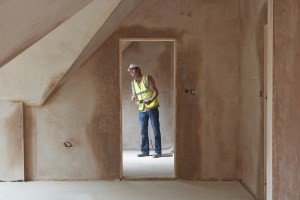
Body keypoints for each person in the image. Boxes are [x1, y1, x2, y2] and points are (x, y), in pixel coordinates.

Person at [128, 63, 162, 158]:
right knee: (143, 131)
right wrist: (133, 97)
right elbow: (134, 95)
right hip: (142, 109)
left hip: (152, 107)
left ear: (138, 69)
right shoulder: (132, 83)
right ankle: (145, 151)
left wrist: (150, 100)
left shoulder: (148, 78)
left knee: (156, 130)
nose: (131, 72)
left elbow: (156, 91)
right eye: (130, 71)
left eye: (133, 69)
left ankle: (158, 152)